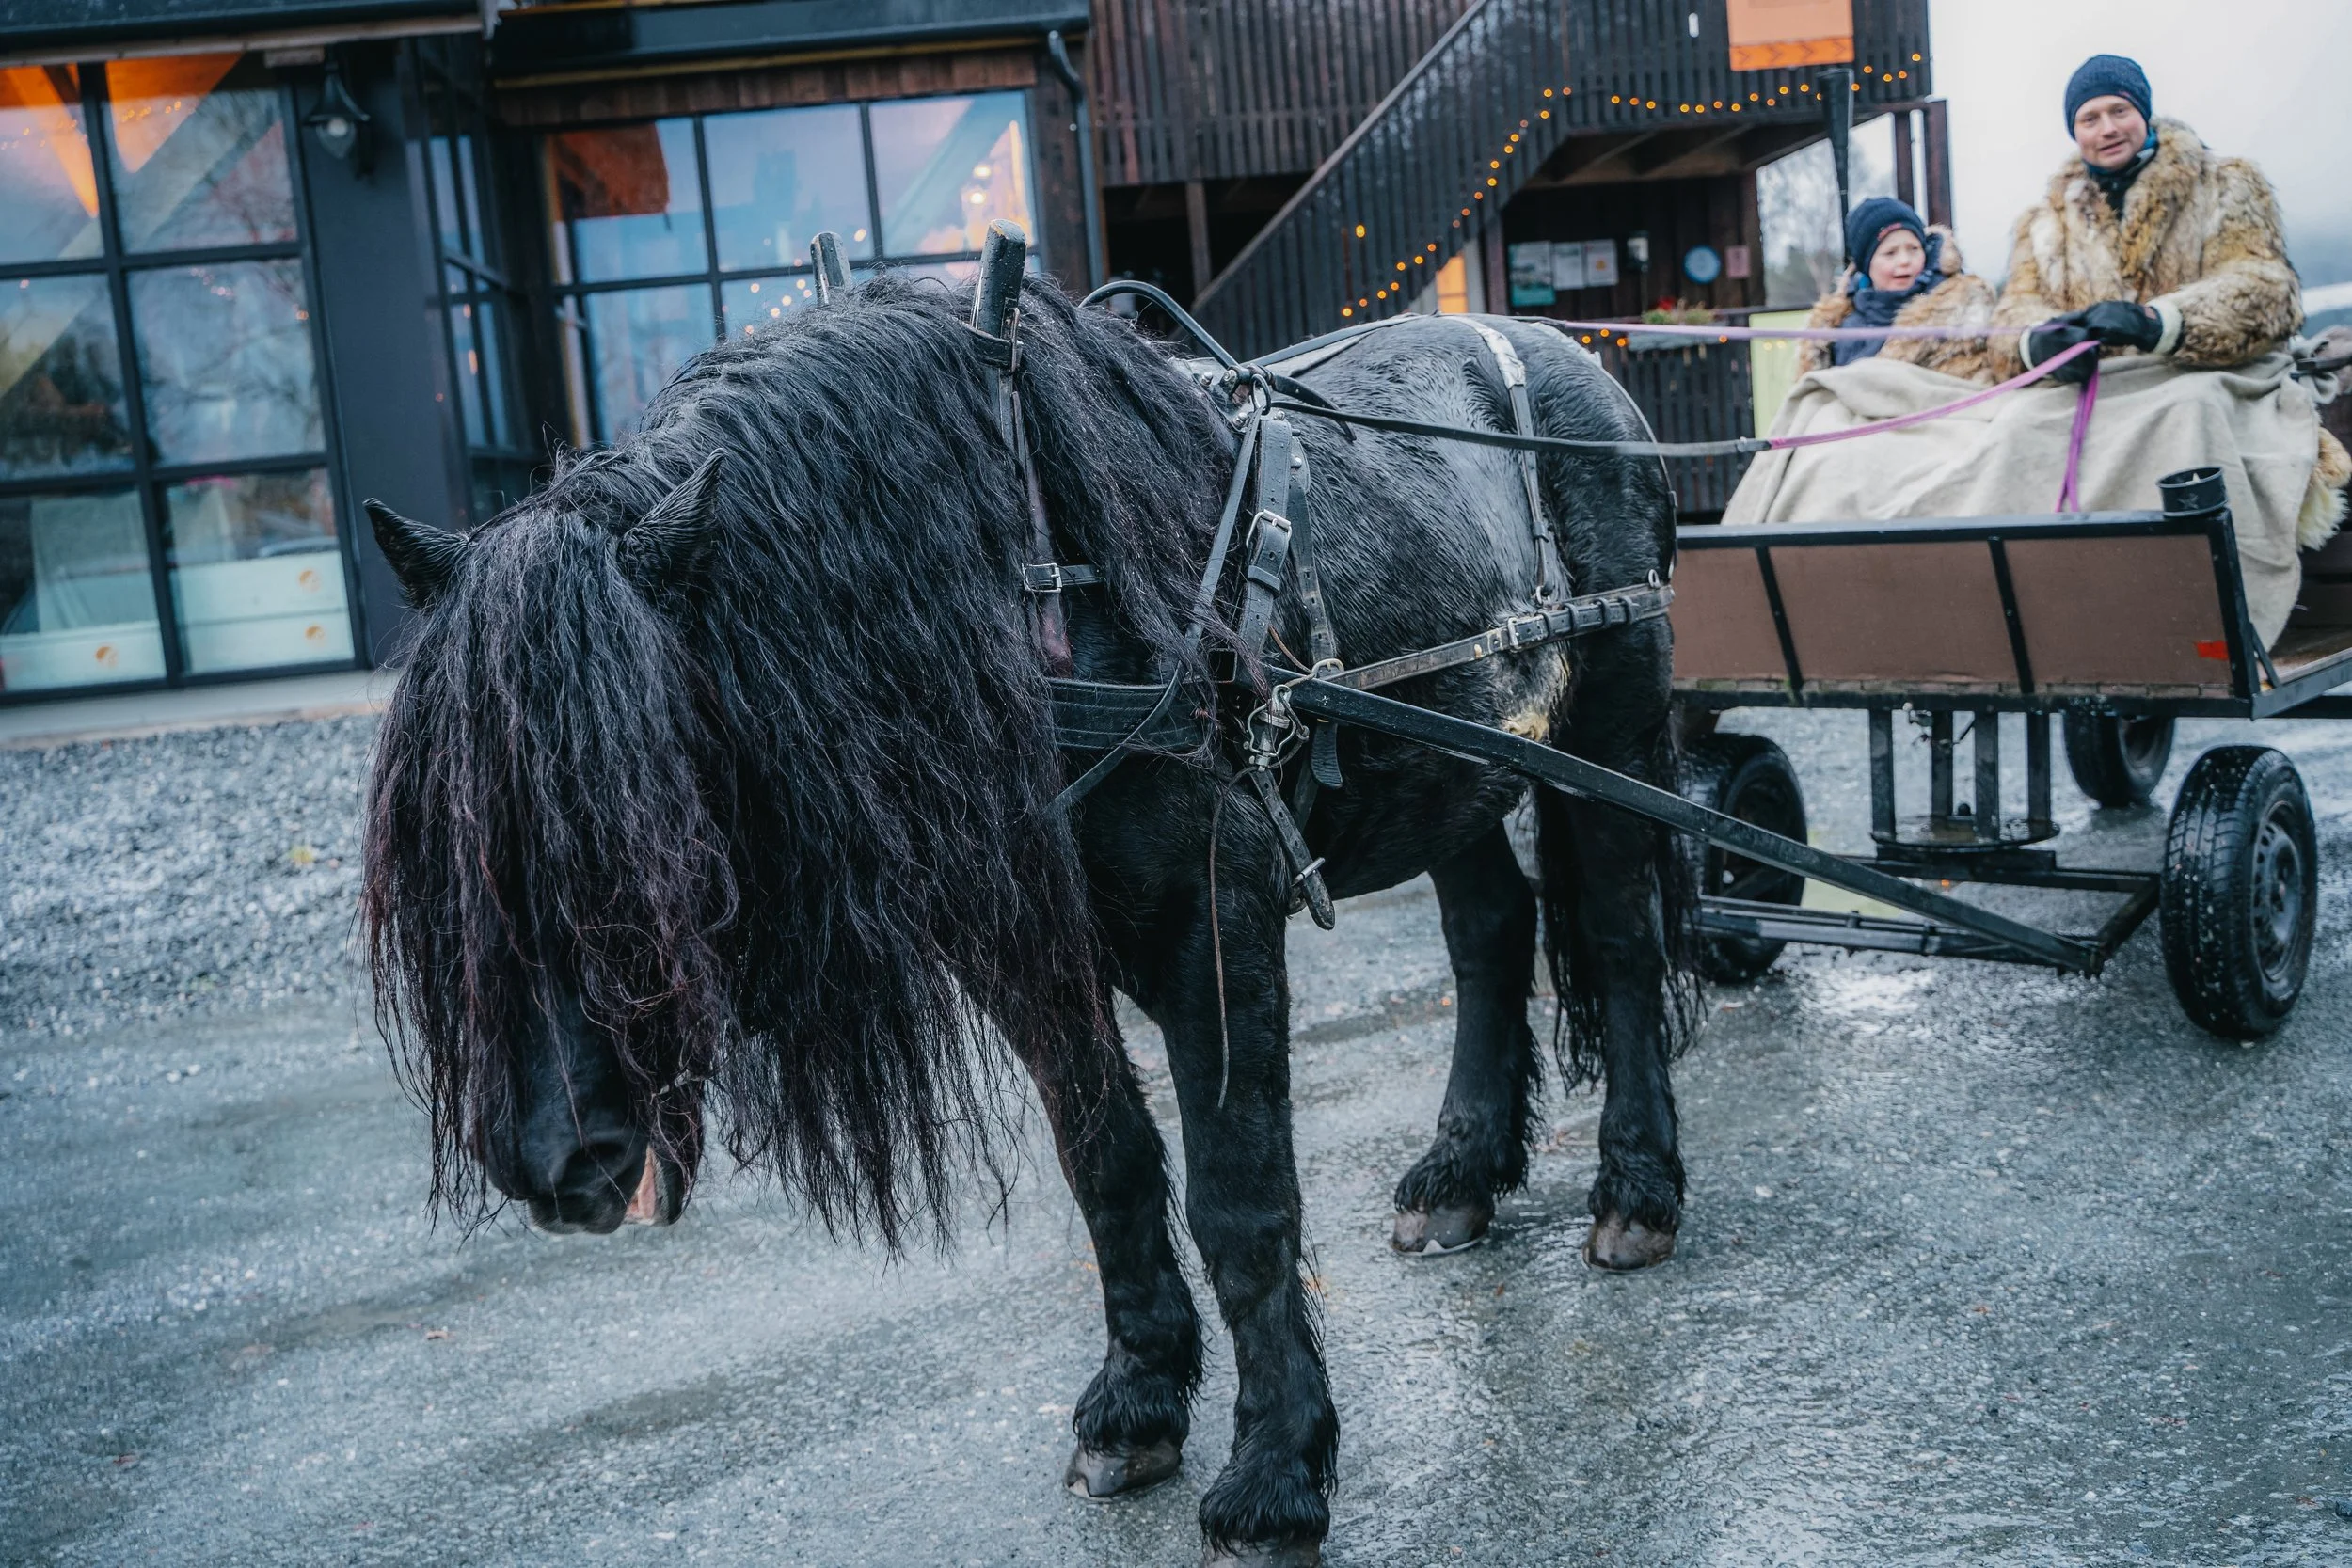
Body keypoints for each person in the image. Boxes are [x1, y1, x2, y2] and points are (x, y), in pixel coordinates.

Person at [1993, 55, 2348, 537]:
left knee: (2188, 412)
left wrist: (2161, 323)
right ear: (2075, 133)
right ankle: (2049, 562)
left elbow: (2265, 286)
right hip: (2102, 387)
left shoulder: (2226, 186)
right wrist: (2040, 344)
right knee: (2017, 424)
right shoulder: (2044, 223)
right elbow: (2015, 310)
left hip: (2205, 373)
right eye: (2089, 119)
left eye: (2119, 111)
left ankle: (2206, 569)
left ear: (2144, 112)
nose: (2107, 129)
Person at [1793, 196, 1998, 382]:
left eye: (1913, 249)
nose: (1904, 261)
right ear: (1866, 265)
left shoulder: (1963, 309)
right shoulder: (1837, 328)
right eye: (1890, 253)